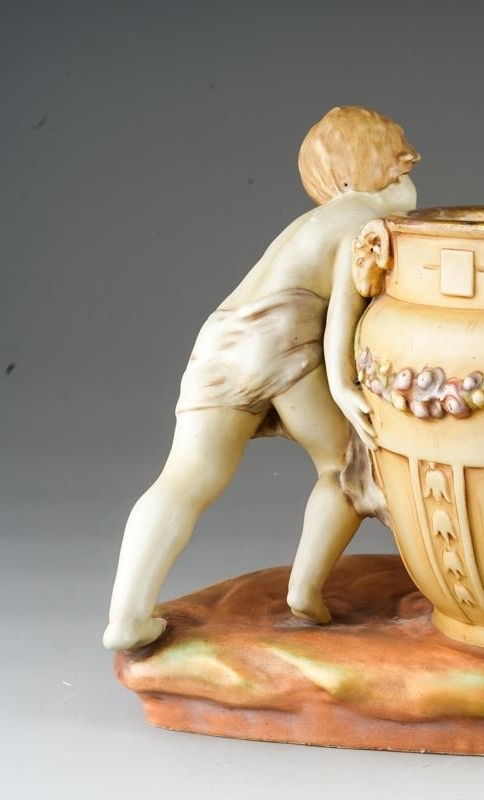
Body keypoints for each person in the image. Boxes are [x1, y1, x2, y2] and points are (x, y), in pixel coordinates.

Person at [103, 107, 418, 650]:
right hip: (284, 344)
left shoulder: (312, 223)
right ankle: (305, 590)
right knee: (346, 466)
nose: (408, 163)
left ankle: (126, 619)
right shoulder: (363, 219)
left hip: (220, 341)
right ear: (363, 166)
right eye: (395, 154)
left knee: (186, 478)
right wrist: (342, 386)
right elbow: (341, 314)